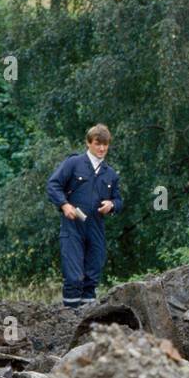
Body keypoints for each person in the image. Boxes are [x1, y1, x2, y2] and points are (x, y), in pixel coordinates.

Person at [46, 124, 123, 308]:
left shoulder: (110, 173)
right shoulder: (74, 163)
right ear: (88, 143)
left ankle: (87, 322)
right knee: (74, 278)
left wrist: (111, 205)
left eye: (105, 144)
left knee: (91, 278)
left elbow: (119, 200)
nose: (102, 149)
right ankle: (69, 321)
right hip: (73, 227)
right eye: (98, 144)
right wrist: (64, 205)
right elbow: (53, 185)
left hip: (96, 228)